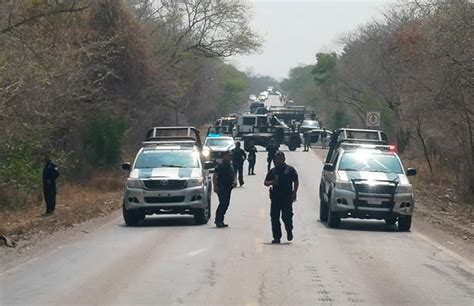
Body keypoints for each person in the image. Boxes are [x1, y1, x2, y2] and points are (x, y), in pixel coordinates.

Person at [264, 151, 299, 244]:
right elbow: (265, 182)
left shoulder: (290, 170)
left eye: (280, 159)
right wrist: (272, 182)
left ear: (284, 159)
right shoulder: (273, 171)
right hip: (275, 198)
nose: (278, 161)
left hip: (287, 197)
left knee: (286, 216)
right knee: (274, 217)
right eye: (277, 159)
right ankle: (276, 237)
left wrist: (294, 192)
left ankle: (289, 230)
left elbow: (296, 181)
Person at [213, 151, 236, 228]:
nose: (230, 157)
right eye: (228, 155)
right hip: (221, 187)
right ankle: (218, 220)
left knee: (226, 204)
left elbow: (232, 174)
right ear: (224, 156)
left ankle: (221, 220)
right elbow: (215, 175)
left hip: (228, 187)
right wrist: (215, 186)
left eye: (231, 156)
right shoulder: (220, 165)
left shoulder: (230, 165)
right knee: (223, 203)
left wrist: (234, 182)